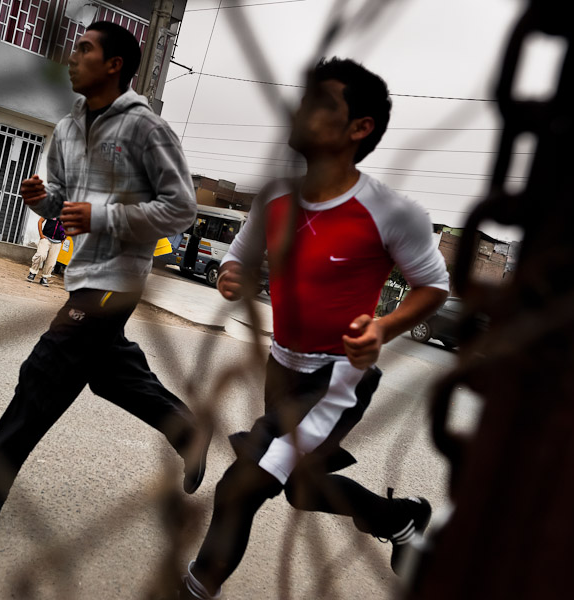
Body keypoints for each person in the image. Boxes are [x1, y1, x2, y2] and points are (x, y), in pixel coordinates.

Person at [174, 58, 450, 599]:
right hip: (282, 367)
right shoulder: (274, 197)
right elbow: (239, 258)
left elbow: (433, 287)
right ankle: (399, 520)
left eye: (321, 102)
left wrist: (384, 328)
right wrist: (233, 274)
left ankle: (194, 589)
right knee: (300, 487)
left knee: (242, 485)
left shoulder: (392, 212)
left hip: (338, 380)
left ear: (359, 128)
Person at [0, 21, 211, 520]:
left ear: (114, 65)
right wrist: (44, 201)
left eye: (84, 49)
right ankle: (187, 429)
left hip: (117, 279)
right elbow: (63, 204)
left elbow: (181, 209)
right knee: (108, 373)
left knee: (45, 370)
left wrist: (103, 217)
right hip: (83, 273)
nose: (72, 58)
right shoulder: (69, 128)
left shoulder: (146, 129)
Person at [27, 216, 67, 287]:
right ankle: (32, 272)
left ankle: (44, 277)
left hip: (57, 242)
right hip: (46, 238)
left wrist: (63, 240)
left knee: (51, 262)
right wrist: (41, 235)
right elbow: (40, 221)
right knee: (41, 255)